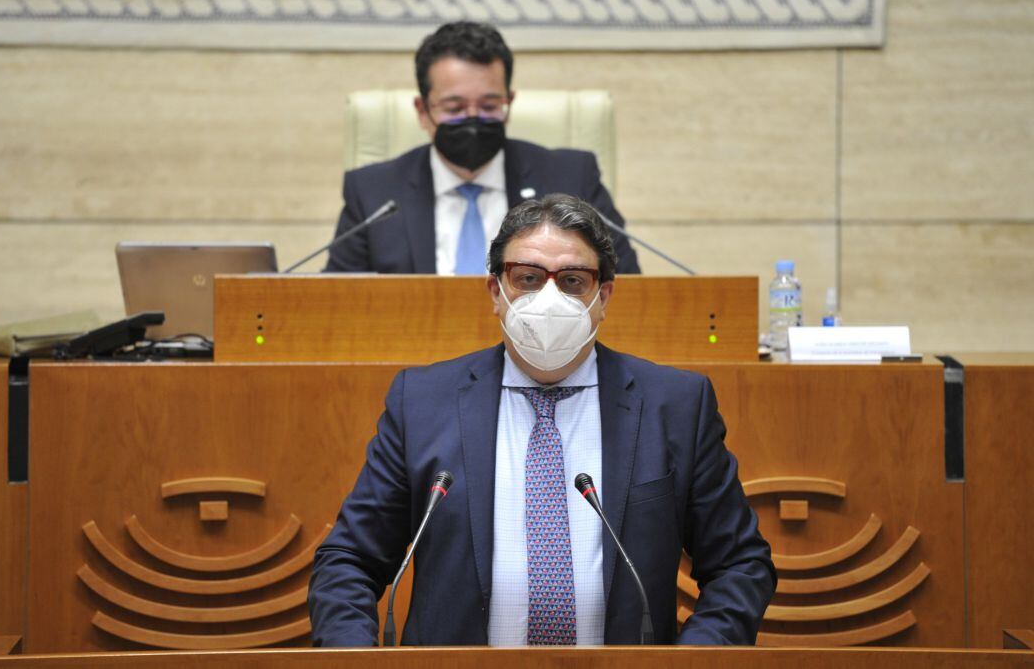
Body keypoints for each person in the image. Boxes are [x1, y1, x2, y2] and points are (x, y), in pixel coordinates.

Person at [308, 194, 775, 647]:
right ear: (496, 291)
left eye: (572, 281)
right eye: (528, 278)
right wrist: (354, 661)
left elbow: (739, 564)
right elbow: (349, 560)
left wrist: (689, 667)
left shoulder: (673, 405)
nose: (549, 297)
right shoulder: (424, 403)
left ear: (603, 295)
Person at [323, 21, 641, 276]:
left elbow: (626, 284)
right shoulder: (373, 193)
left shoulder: (572, 178)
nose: (473, 119)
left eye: (489, 105)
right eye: (455, 107)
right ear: (422, 111)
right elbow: (337, 301)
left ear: (509, 104)